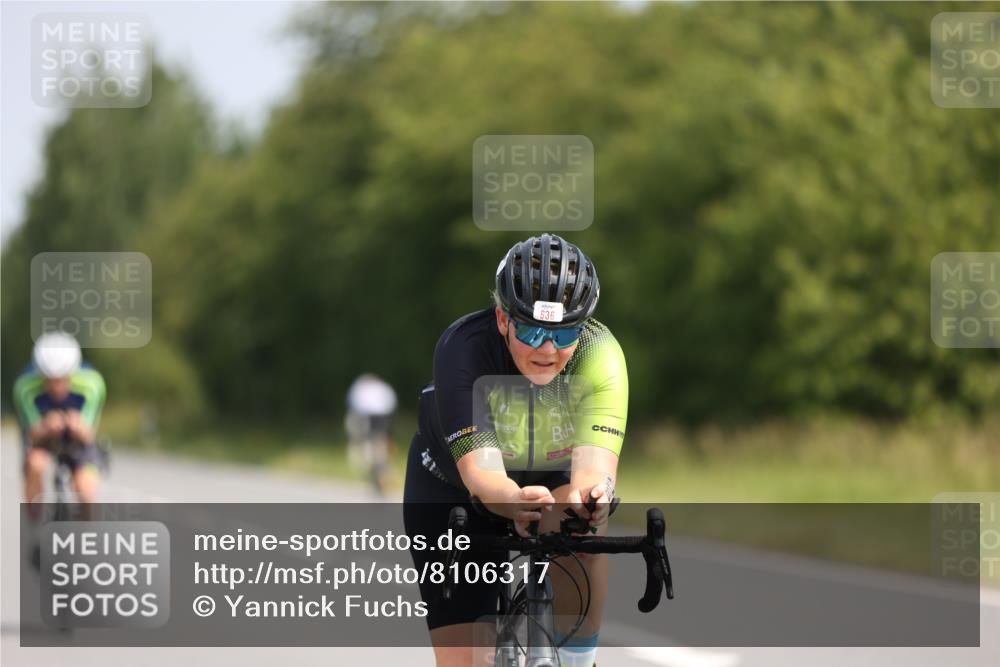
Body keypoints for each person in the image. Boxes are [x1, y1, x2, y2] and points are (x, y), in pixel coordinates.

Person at [403, 234, 627, 667]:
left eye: (565, 333)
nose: (548, 349)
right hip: (453, 490)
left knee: (581, 528)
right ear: (504, 319)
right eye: (531, 329)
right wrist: (513, 502)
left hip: (548, 478)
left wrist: (591, 501)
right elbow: (483, 476)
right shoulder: (464, 348)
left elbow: (592, 474)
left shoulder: (602, 354)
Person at [14, 332, 106, 521]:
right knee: (35, 465)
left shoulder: (93, 385)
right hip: (43, 438)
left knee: (85, 488)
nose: (56, 387)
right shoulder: (24, 387)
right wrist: (46, 427)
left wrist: (77, 426)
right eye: (49, 380)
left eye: (62, 380)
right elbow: (32, 434)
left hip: (78, 439)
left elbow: (89, 435)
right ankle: (35, 523)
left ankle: (84, 536)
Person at [345, 373, 398, 495]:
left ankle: (379, 473)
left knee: (374, 448)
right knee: (377, 447)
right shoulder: (382, 388)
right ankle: (379, 472)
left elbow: (353, 404)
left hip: (370, 420)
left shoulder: (362, 388)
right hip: (378, 420)